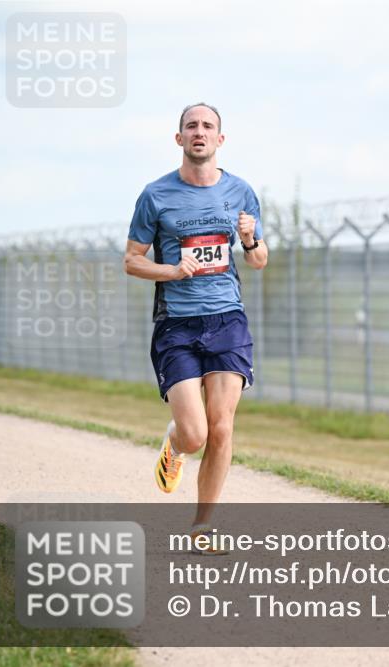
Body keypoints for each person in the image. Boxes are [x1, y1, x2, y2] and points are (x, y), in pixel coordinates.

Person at [124, 102, 268, 554]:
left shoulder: (241, 192)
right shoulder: (156, 195)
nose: (199, 132)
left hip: (228, 318)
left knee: (222, 428)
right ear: (179, 139)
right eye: (192, 126)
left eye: (208, 126)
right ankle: (173, 444)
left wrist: (249, 238)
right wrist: (173, 271)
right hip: (177, 325)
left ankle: (203, 527)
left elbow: (259, 260)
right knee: (195, 434)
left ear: (220, 140)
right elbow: (131, 260)